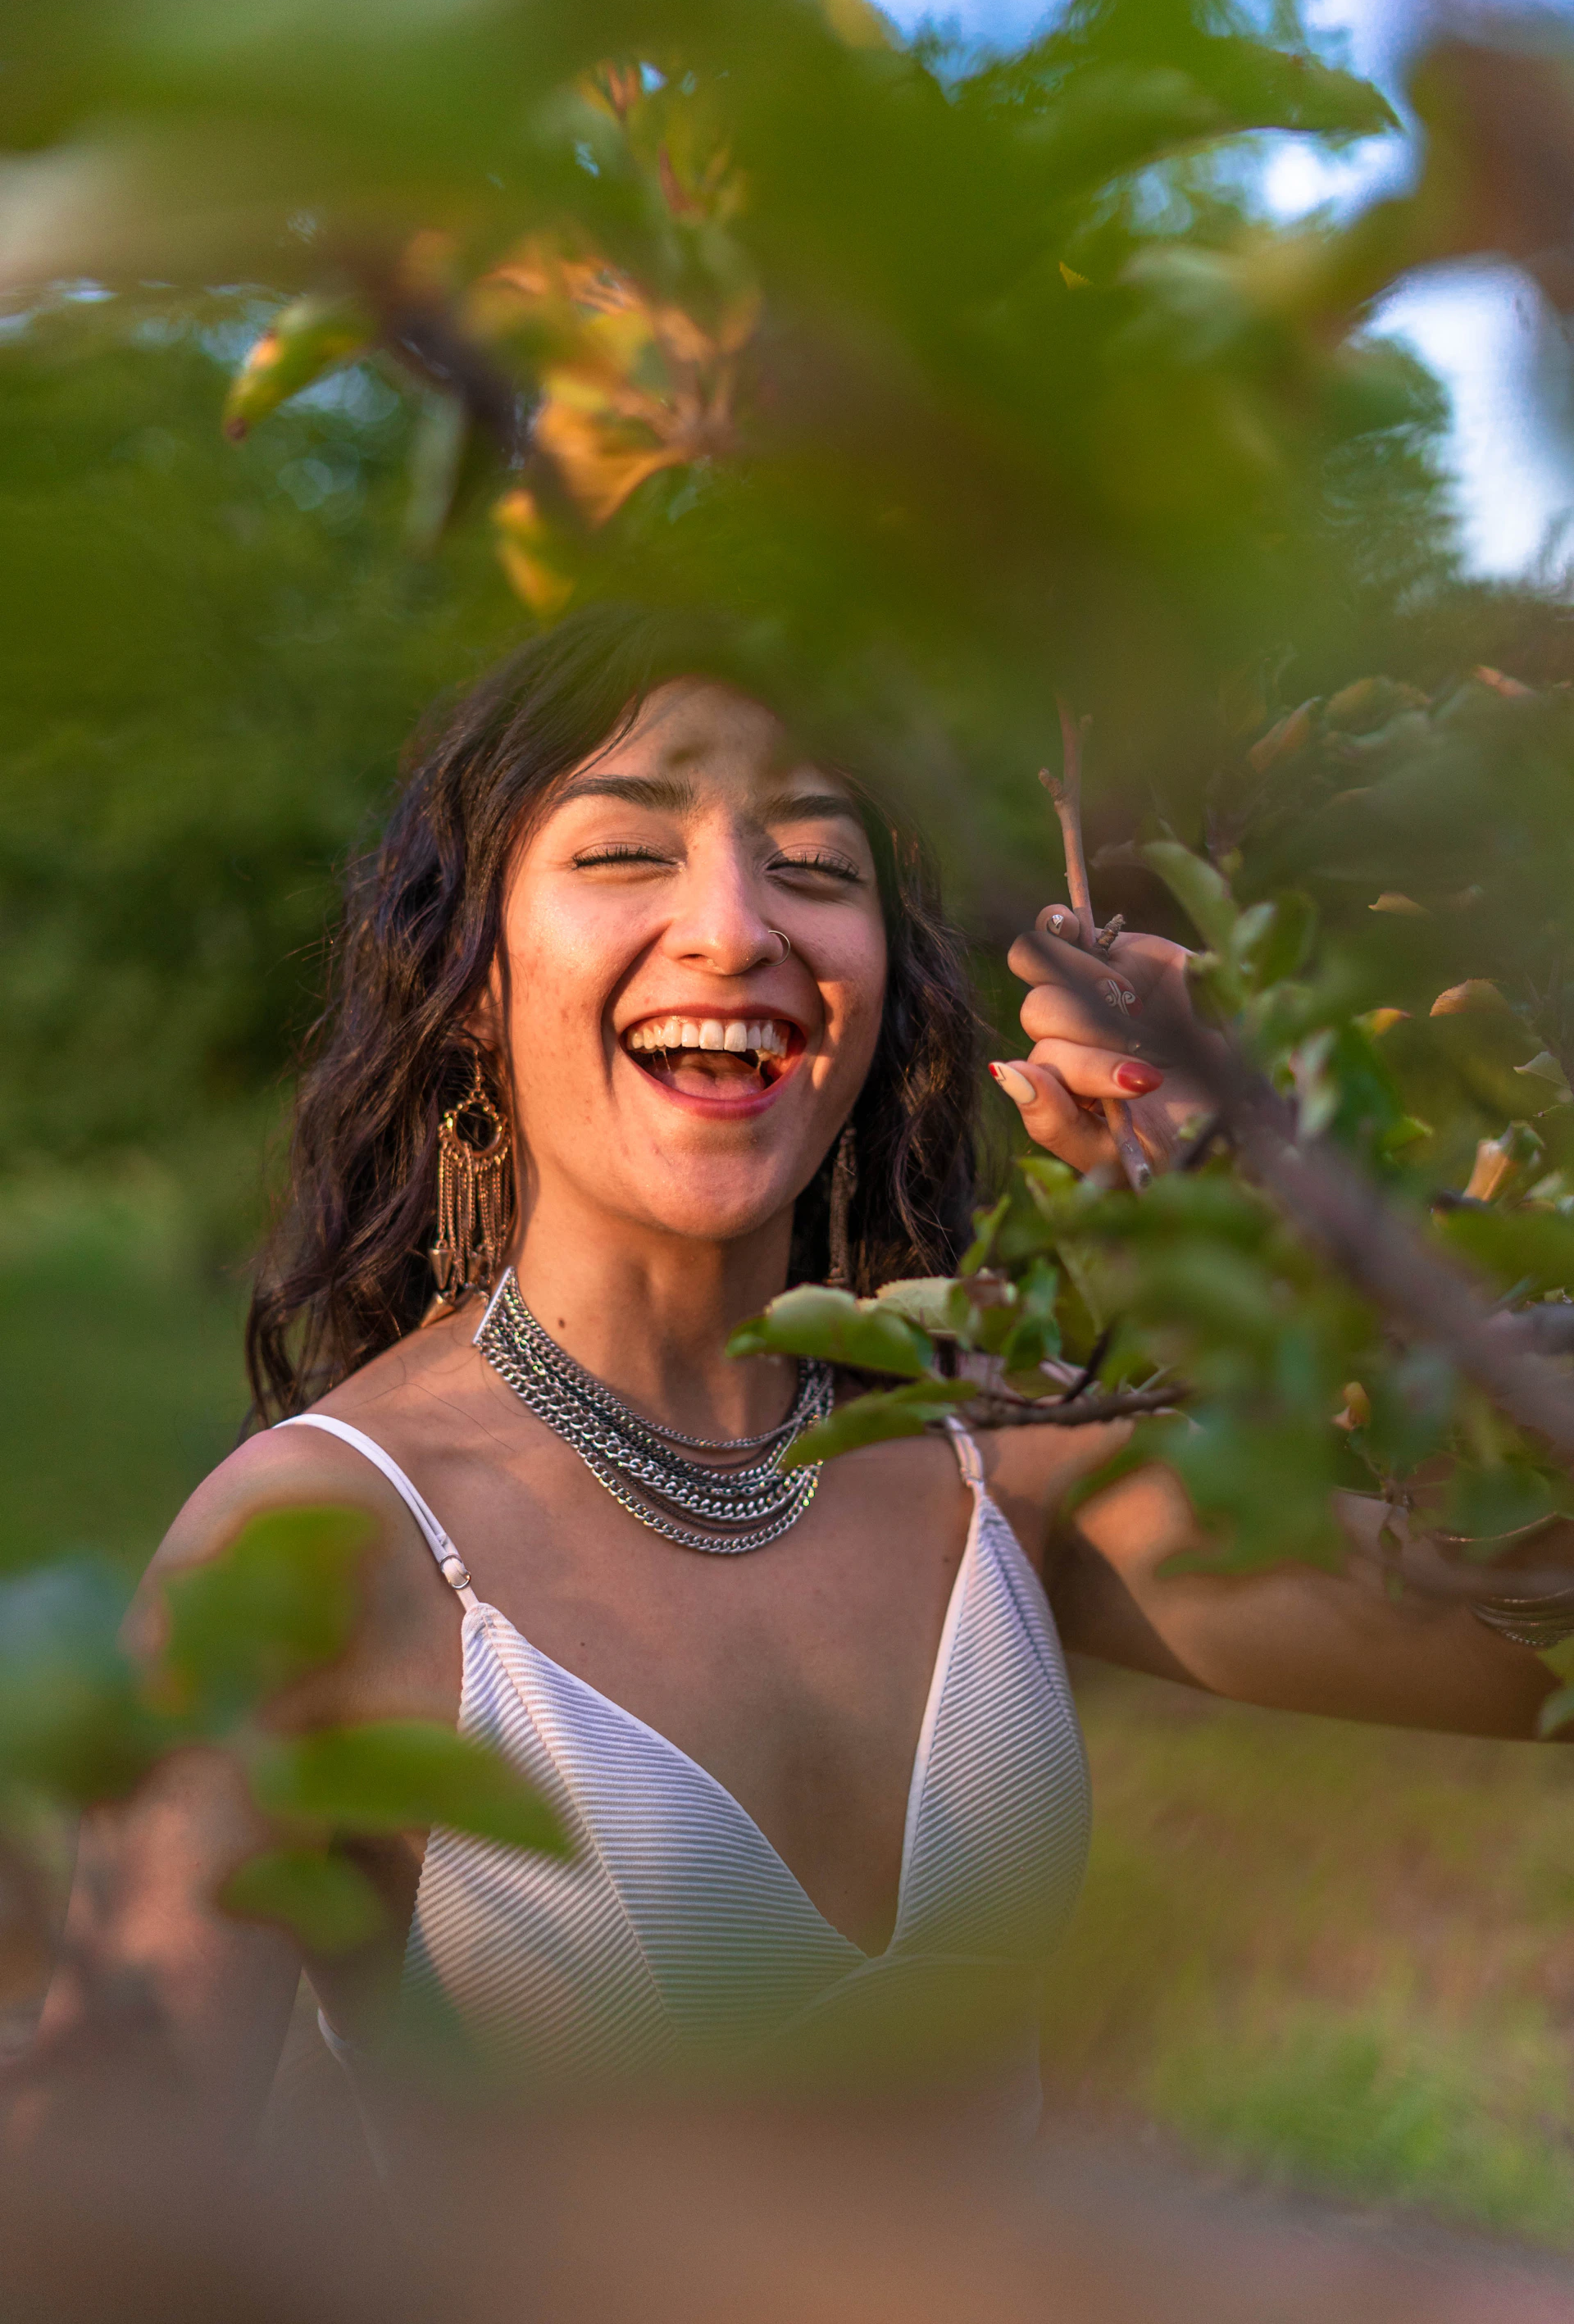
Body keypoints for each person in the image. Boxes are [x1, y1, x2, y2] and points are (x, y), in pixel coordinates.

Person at [12, 607, 1559, 2150]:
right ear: (471, 977)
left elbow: (1532, 1655)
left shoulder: (1000, 1444)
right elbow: (104, 2200)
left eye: (815, 866)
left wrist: (1319, 1227)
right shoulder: (317, 1544)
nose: (734, 929)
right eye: (626, 851)